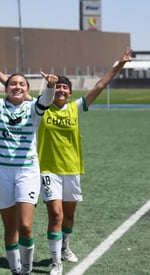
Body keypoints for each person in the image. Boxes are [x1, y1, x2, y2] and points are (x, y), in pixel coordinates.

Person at [37, 47, 132, 275]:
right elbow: (15, 93)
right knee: (56, 214)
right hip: (48, 170)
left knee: (69, 215)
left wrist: (119, 64)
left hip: (72, 169)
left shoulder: (75, 107)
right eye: (58, 86)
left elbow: (100, 86)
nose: (61, 89)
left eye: (64, 87)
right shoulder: (40, 109)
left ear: (69, 92)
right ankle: (55, 262)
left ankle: (65, 247)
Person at [0, 49, 57, 275]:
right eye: (13, 84)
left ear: (27, 90)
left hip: (27, 172)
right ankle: (15, 271)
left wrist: (50, 86)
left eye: (22, 84)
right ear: (6, 88)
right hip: (1, 173)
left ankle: (27, 270)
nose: (18, 87)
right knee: (10, 227)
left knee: (26, 227)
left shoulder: (33, 109)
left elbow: (47, 100)